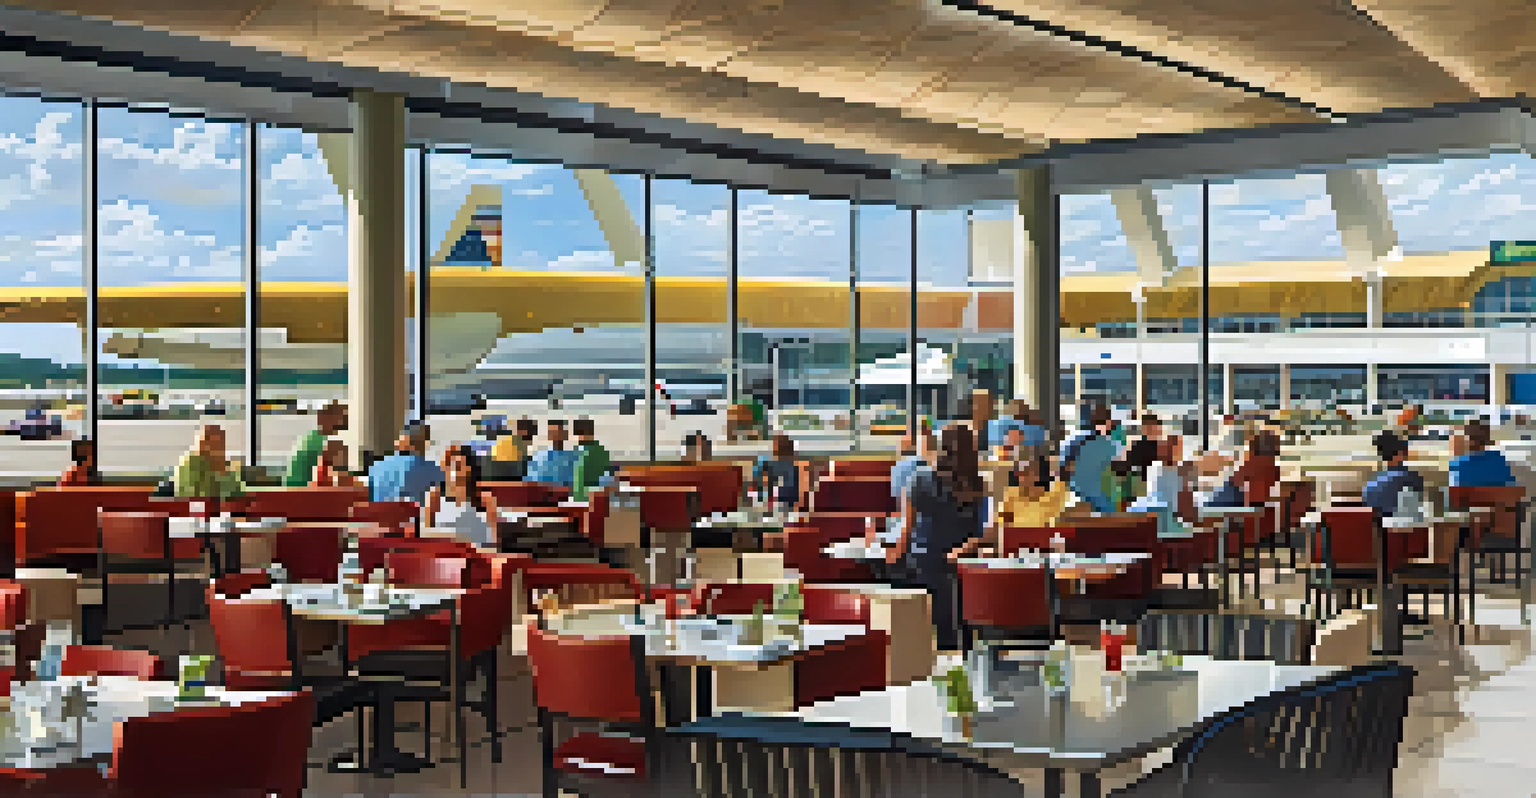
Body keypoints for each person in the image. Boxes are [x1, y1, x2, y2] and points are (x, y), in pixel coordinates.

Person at [887, 425, 984, 652]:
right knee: (959, 623)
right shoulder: (976, 484)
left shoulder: (918, 480)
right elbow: (979, 531)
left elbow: (907, 528)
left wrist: (891, 556)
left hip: (924, 562)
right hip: (962, 566)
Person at [425, 444, 498, 548]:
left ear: (470, 469)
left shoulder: (484, 498)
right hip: (444, 553)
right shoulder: (435, 494)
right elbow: (427, 533)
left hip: (476, 555)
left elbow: (493, 537)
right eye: (450, 465)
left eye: (458, 466)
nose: (452, 469)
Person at [366, 422, 445, 505]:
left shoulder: (376, 466)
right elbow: (445, 489)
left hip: (379, 515)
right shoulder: (429, 468)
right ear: (421, 442)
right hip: (412, 515)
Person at [1062, 404, 1119, 514]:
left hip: (1074, 496)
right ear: (1109, 422)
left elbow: (1064, 468)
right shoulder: (1110, 445)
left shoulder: (1074, 439)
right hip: (1101, 500)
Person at [284, 401, 347, 487]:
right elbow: (342, 478)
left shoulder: (309, 438)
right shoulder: (330, 443)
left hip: (291, 490)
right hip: (305, 493)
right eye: (343, 419)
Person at [173, 424, 245, 499]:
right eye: (211, 443)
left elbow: (237, 493)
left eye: (220, 444)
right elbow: (193, 494)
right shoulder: (191, 462)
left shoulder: (229, 466)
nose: (217, 449)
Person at [1363, 430, 1424, 519]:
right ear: (1401, 453)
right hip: (1410, 529)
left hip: (1380, 530)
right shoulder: (1413, 478)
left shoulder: (1371, 485)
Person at [1449, 419, 1515, 488]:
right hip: (1500, 498)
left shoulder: (1458, 464)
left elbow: (1453, 494)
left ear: (1468, 439)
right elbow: (1513, 490)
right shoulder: (1500, 460)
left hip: (1472, 498)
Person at [526, 419, 582, 489]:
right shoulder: (540, 457)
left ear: (565, 433)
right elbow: (531, 479)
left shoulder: (574, 457)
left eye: (557, 432)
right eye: (552, 433)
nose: (555, 436)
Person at [753, 434, 800, 510]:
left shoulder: (769, 466)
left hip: (772, 504)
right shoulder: (794, 468)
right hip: (786, 505)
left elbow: (760, 487)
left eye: (774, 445)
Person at [570, 418, 612, 502]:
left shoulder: (582, 452)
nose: (579, 437)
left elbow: (578, 481)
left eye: (581, 434)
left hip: (585, 497)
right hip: (599, 495)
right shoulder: (602, 451)